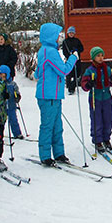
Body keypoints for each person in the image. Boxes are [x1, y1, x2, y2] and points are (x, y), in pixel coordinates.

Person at [35, 22, 78, 166]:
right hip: (49, 96)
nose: (59, 38)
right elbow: (63, 70)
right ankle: (45, 155)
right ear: (50, 36)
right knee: (48, 126)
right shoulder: (49, 52)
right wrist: (73, 58)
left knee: (57, 126)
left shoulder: (44, 50)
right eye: (57, 35)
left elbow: (37, 72)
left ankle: (59, 153)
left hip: (53, 95)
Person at [81, 46, 112, 154]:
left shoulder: (108, 69)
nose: (101, 58)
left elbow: (111, 81)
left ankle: (106, 138)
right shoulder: (89, 71)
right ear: (93, 58)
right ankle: (97, 140)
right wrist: (89, 84)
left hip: (106, 98)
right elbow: (84, 85)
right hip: (95, 98)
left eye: (102, 55)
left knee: (108, 119)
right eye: (98, 56)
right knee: (97, 120)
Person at [0, 65, 23, 139]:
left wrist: (17, 96)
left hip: (11, 105)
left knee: (13, 120)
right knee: (0, 121)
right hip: (2, 106)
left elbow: (17, 92)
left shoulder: (12, 84)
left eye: (3, 75)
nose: (1, 77)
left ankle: (17, 133)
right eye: (0, 75)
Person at [61, 26, 84, 95]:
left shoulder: (77, 40)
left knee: (76, 74)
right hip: (69, 60)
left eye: (72, 33)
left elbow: (82, 48)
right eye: (70, 33)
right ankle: (69, 87)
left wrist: (77, 50)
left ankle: (73, 87)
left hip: (77, 60)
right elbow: (64, 51)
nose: (71, 34)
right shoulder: (65, 42)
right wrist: (69, 56)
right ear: (68, 33)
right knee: (69, 74)